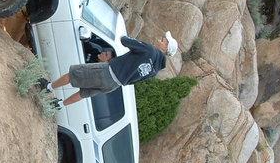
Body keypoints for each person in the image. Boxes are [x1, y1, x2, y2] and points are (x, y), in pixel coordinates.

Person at [40, 31, 178, 108]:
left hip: (108, 72)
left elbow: (125, 41)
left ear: (166, 48)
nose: (161, 39)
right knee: (84, 93)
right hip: (114, 85)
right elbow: (133, 80)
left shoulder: (150, 50)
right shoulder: (155, 70)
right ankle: (58, 105)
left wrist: (125, 36)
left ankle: (48, 87)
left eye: (164, 40)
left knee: (73, 74)